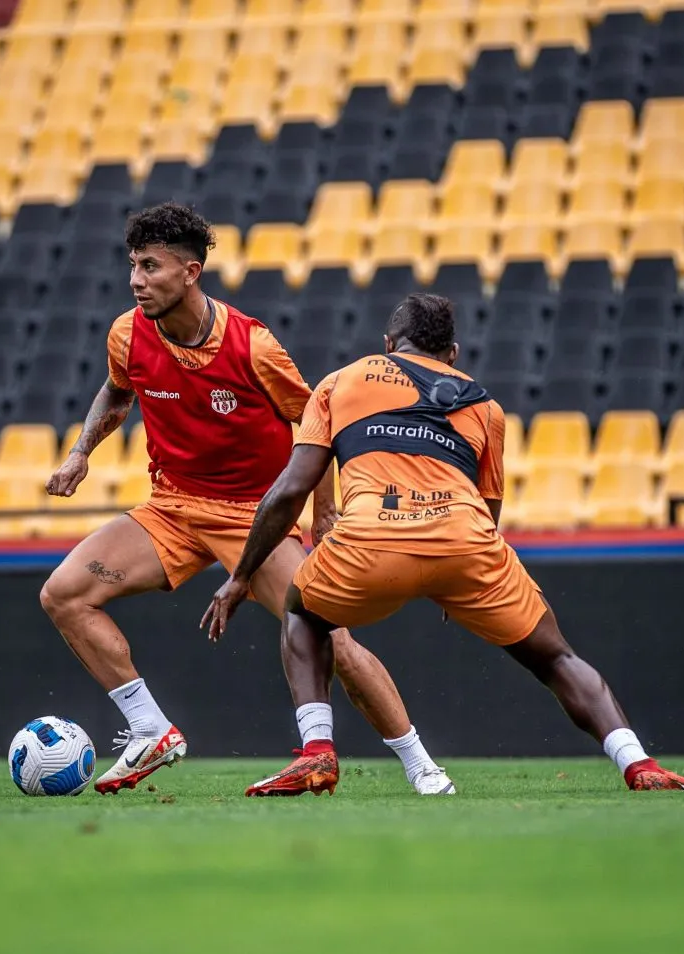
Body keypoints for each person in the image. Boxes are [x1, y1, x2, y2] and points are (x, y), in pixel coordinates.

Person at [203, 292, 684, 797]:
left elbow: (291, 489)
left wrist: (241, 576)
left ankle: (317, 752)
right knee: (556, 658)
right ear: (453, 353)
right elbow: (489, 510)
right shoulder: (485, 406)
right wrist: (460, 582)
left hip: (371, 536)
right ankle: (639, 764)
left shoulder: (341, 381)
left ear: (389, 344)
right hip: (465, 541)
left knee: (303, 615)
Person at [41, 204, 452, 796]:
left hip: (252, 519)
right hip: (171, 508)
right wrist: (81, 452)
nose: (136, 280)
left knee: (330, 637)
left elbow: (317, 419)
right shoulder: (126, 333)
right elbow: (116, 390)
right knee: (63, 594)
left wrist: (324, 511)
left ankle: (421, 766)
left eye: (150, 266)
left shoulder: (253, 345)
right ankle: (150, 729)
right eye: (133, 265)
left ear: (191, 272)